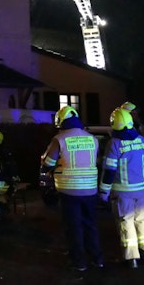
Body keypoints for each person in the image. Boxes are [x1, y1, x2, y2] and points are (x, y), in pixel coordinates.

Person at [40, 105, 104, 272]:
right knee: (90, 224)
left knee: (74, 227)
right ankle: (97, 259)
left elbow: (48, 164)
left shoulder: (59, 139)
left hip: (69, 190)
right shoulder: (92, 138)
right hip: (90, 189)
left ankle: (79, 262)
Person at [99, 107, 144, 268]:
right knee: (143, 222)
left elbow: (109, 171)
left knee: (126, 224)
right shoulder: (143, 141)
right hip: (142, 192)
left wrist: (104, 192)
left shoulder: (114, 144)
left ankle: (131, 258)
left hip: (122, 194)